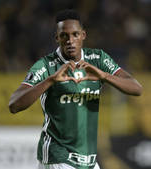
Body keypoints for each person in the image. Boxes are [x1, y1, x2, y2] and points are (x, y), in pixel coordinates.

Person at [9, 9, 142, 169]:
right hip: (58, 158)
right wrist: (50, 80)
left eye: (75, 35)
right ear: (57, 38)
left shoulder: (98, 59)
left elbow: (136, 88)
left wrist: (105, 76)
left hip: (88, 161)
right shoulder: (46, 66)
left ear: (83, 35)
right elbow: (14, 105)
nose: (70, 40)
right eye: (64, 35)